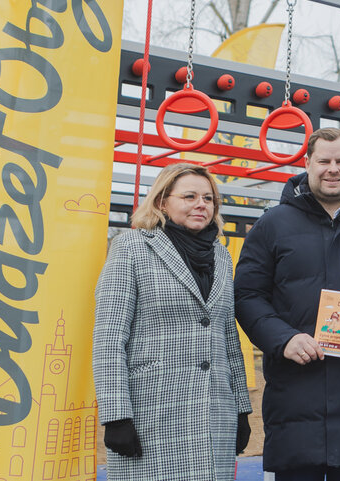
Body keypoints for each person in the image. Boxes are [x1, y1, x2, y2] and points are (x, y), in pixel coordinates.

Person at [235, 128, 340, 481]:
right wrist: (284, 339)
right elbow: (247, 296)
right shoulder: (272, 225)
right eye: (324, 161)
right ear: (307, 164)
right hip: (296, 403)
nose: (333, 169)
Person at [93, 163, 252, 481]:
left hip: (214, 412)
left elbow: (226, 335)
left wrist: (241, 407)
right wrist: (116, 416)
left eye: (208, 199)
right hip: (151, 411)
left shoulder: (221, 257)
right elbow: (110, 337)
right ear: (162, 201)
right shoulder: (132, 248)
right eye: (190, 196)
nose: (201, 204)